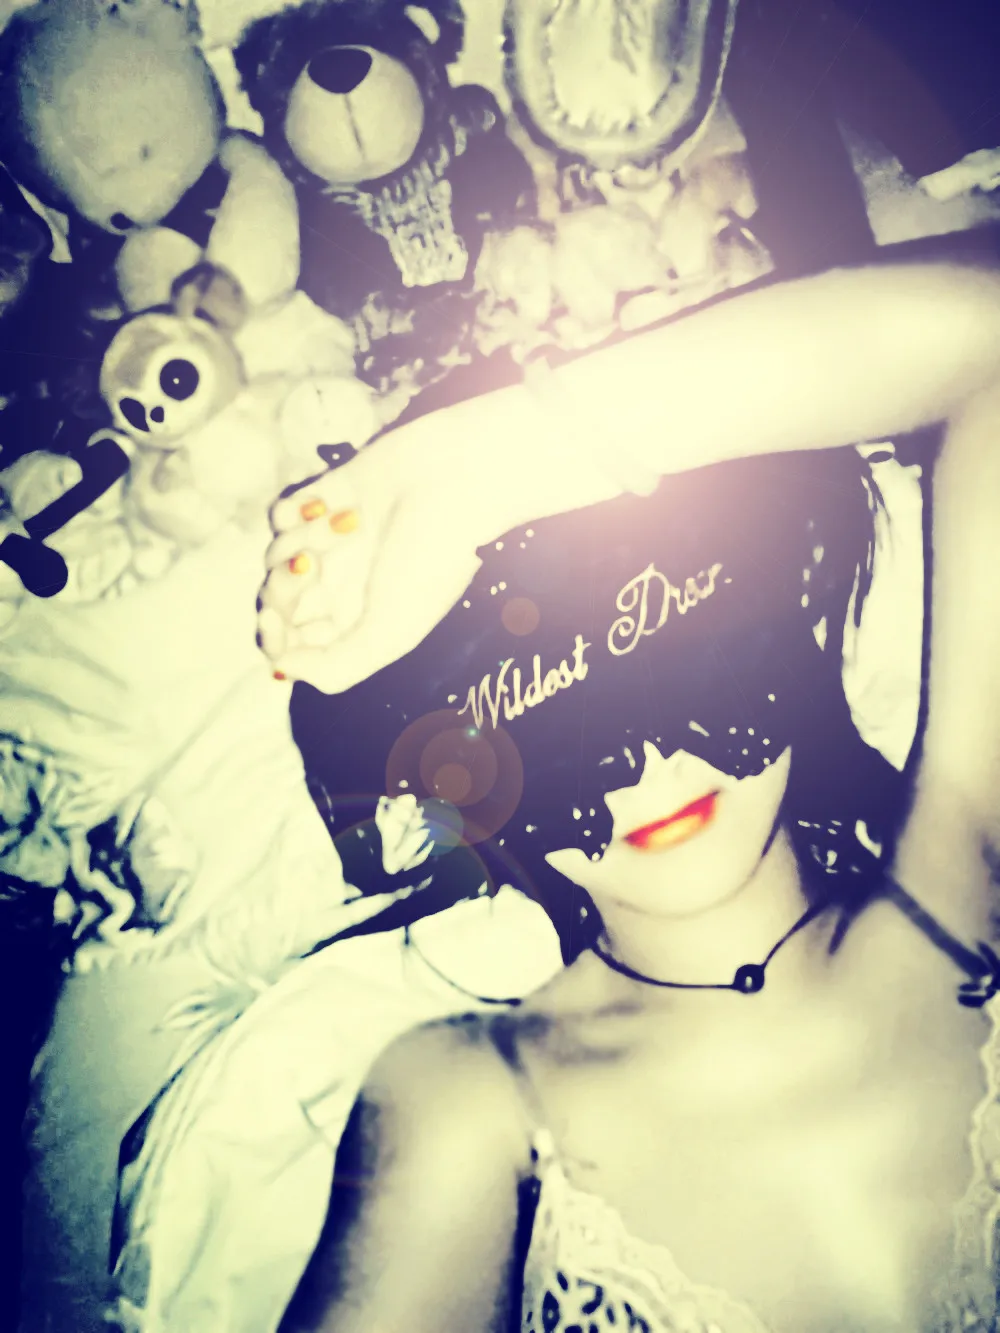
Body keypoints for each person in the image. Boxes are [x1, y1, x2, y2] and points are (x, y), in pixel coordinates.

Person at [258, 245, 1000, 1330]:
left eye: (685, 644)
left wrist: (483, 471)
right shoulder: (471, 1108)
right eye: (533, 711)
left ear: (786, 610)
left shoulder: (969, 872)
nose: (649, 768)